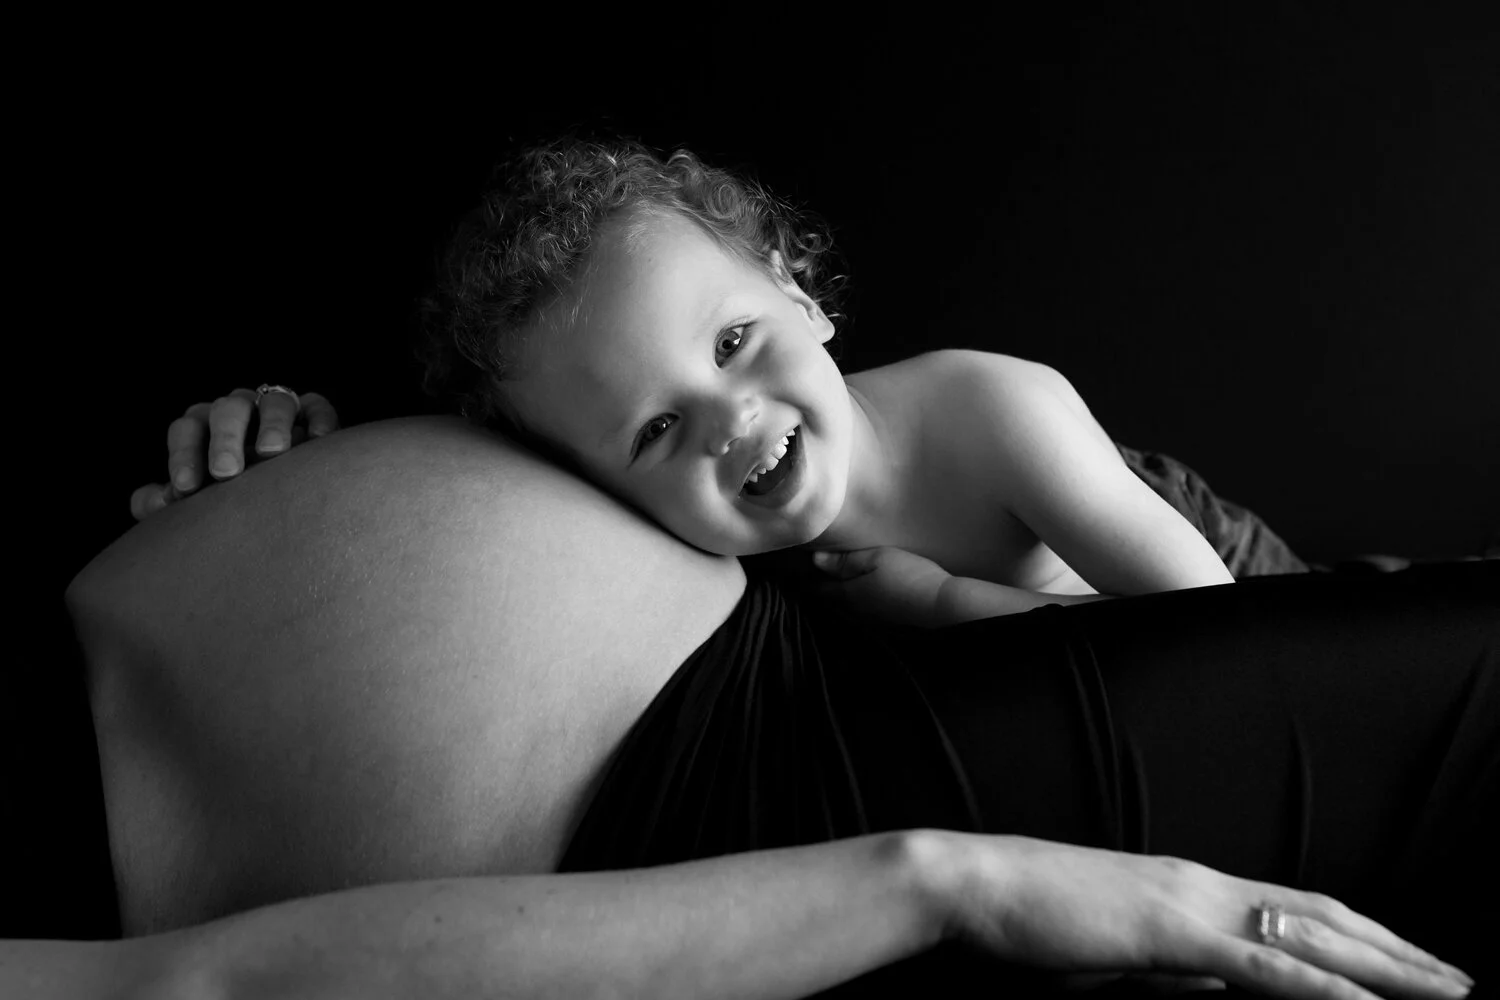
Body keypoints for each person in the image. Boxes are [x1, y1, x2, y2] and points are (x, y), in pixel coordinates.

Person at [132, 135, 1311, 631]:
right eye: (653, 428)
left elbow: (1224, 644)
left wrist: (957, 609)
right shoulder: (684, 555)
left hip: (1203, 560)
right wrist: (297, 437)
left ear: (803, 294)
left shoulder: (991, 411)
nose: (729, 419)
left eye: (736, 340)